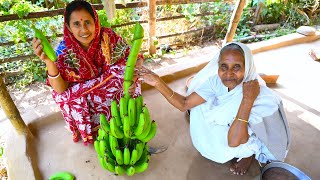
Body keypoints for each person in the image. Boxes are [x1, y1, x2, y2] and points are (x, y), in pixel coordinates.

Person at [136, 42, 290, 175]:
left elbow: (234, 141)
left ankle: (248, 154)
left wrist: (247, 100)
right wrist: (157, 82)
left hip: (242, 137)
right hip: (230, 131)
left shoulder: (259, 94)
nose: (228, 73)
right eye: (224, 66)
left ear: (247, 67)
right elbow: (184, 104)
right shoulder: (216, 82)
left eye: (237, 67)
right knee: (200, 106)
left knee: (238, 130)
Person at [32, 0, 143, 146]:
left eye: (88, 22)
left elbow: (134, 58)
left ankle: (125, 121)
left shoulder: (107, 36)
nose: (84, 30)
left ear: (95, 21)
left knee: (126, 76)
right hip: (88, 93)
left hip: (109, 85)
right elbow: (60, 89)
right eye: (76, 24)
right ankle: (94, 130)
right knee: (65, 97)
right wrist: (48, 61)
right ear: (68, 27)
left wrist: (132, 78)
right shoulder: (64, 50)